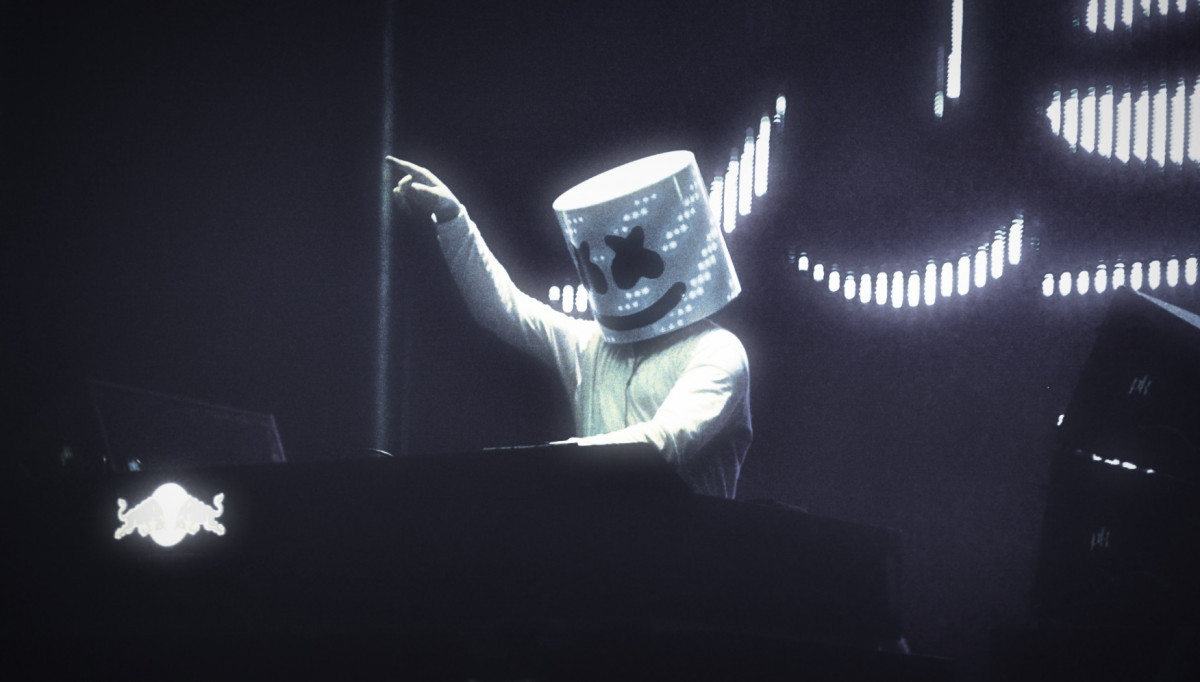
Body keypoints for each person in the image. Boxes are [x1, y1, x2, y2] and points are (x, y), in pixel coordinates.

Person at [387, 152, 751, 498]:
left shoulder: (718, 351)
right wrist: (452, 217)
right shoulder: (590, 344)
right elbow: (502, 308)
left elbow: (661, 444)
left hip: (689, 540)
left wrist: (545, 463)